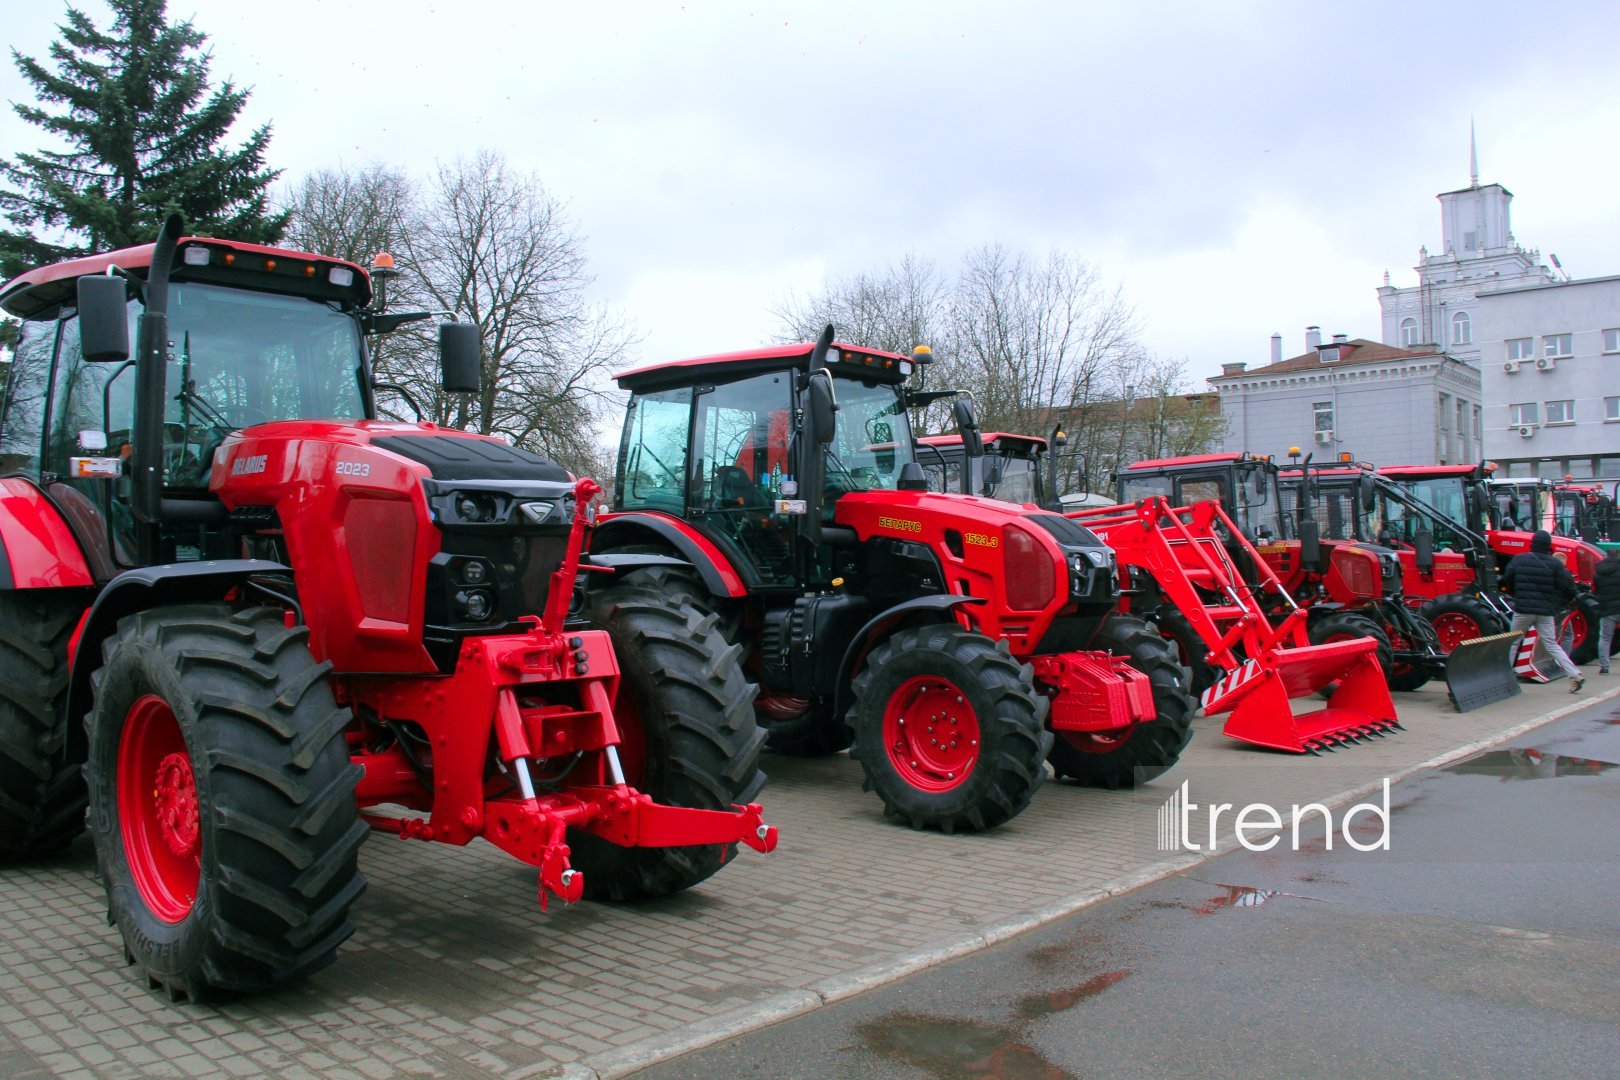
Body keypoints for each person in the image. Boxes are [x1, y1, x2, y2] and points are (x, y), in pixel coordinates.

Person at [1501, 530, 1584, 691]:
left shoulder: (1520, 560)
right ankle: (1575, 674)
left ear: (1532, 543)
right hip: (1545, 611)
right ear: (1548, 546)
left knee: (1513, 642)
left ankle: (1506, 678)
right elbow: (1567, 585)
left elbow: (1507, 579)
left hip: (1523, 609)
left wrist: (1518, 591)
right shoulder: (1555, 564)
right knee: (1552, 645)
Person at [1594, 545, 1620, 676]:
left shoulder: (1599, 572)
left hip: (1606, 609)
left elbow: (1596, 590)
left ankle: (1604, 667)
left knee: (1605, 638)